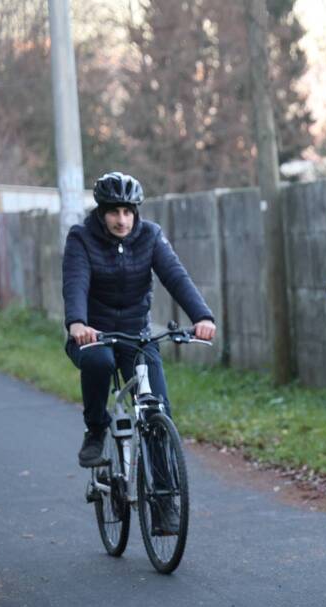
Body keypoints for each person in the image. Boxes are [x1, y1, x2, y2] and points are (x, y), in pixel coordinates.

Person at [63, 171, 216, 534]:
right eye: (114, 212)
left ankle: (164, 505)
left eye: (128, 212)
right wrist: (77, 323)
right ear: (101, 213)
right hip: (93, 335)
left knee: (157, 411)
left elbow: (175, 276)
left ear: (136, 212)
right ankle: (97, 430)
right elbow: (75, 281)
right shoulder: (81, 239)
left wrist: (202, 316)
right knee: (99, 362)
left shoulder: (150, 236)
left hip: (137, 337)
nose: (122, 220)